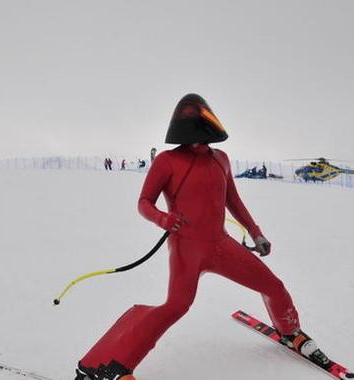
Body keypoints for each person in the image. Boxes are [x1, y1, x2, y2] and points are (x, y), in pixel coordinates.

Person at [75, 94, 326, 380]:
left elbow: (234, 200)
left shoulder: (221, 159)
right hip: (186, 248)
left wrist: (256, 233)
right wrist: (163, 218)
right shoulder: (167, 161)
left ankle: (290, 332)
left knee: (274, 286)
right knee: (177, 305)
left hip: (221, 245)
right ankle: (106, 365)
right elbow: (144, 202)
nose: (200, 139)